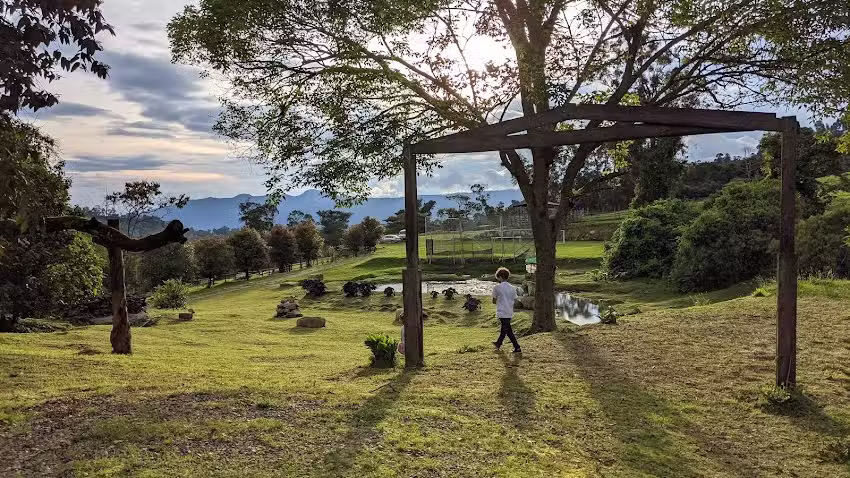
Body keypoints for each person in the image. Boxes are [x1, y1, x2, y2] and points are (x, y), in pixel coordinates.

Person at [491, 267, 521, 353]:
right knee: (506, 329)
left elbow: (493, 301)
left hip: (501, 311)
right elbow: (515, 299)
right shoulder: (513, 288)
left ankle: (517, 347)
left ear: (500, 277)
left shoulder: (497, 287)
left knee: (507, 330)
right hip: (509, 311)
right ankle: (499, 343)